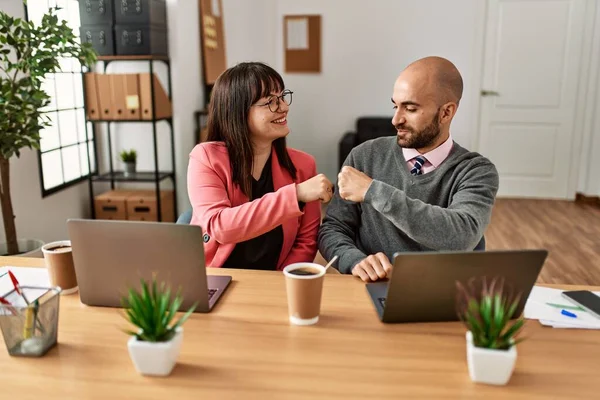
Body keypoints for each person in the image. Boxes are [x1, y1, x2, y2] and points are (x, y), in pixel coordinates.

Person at [318, 56, 499, 282]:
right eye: (395, 106)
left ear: (446, 112)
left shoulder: (476, 171)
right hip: (373, 288)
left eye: (410, 109)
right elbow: (333, 229)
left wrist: (373, 192)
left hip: (443, 293)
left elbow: (462, 235)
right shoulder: (364, 155)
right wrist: (354, 260)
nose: (396, 119)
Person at [188, 62, 333, 270]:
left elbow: (306, 242)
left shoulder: (304, 165)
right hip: (216, 278)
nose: (284, 107)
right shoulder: (206, 158)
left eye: (282, 97)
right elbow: (220, 226)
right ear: (237, 111)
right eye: (270, 102)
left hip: (275, 283)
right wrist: (295, 195)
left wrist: (279, 283)